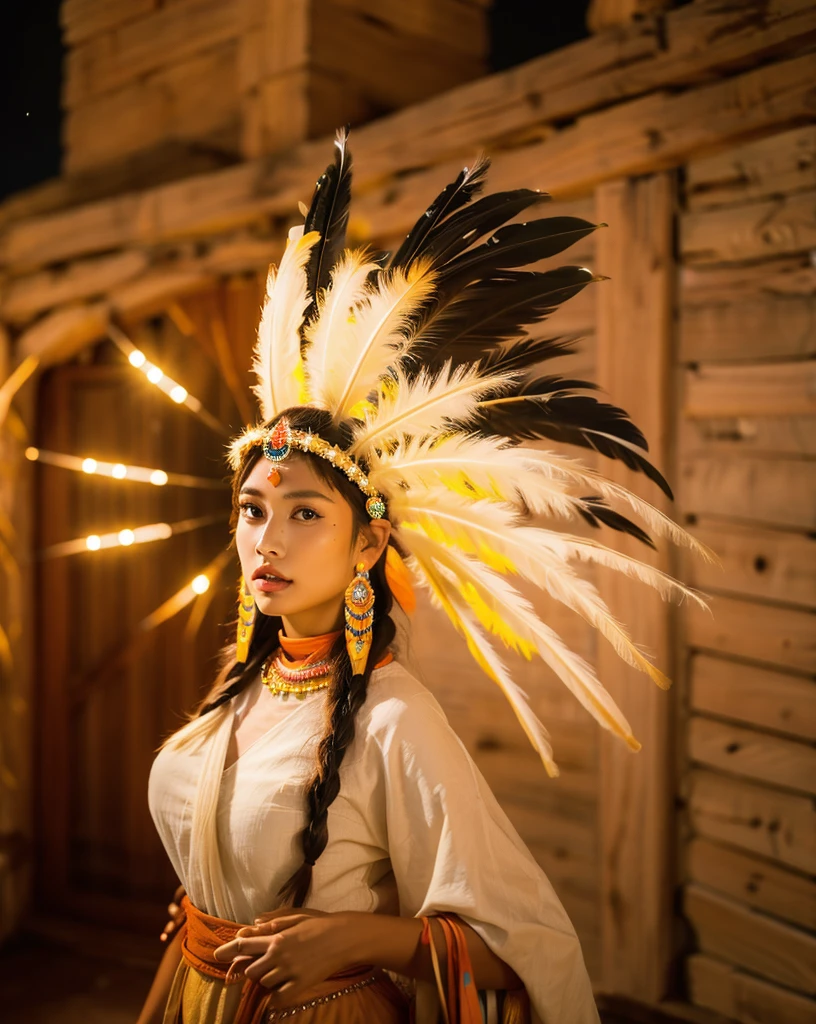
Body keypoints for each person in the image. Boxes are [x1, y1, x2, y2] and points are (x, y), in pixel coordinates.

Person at [139, 130, 707, 1024]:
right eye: (252, 508)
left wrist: (359, 937)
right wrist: (206, 916)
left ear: (368, 548)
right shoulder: (237, 691)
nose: (267, 540)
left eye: (306, 513)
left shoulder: (396, 721)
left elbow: (527, 941)